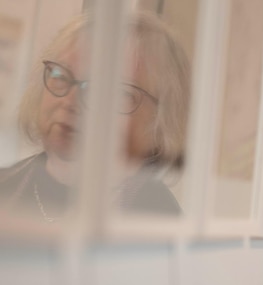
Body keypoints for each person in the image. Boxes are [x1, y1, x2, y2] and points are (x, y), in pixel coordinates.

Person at [0, 10, 190, 221]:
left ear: (158, 118)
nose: (70, 101)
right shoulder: (5, 184)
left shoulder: (159, 219)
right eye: (61, 75)